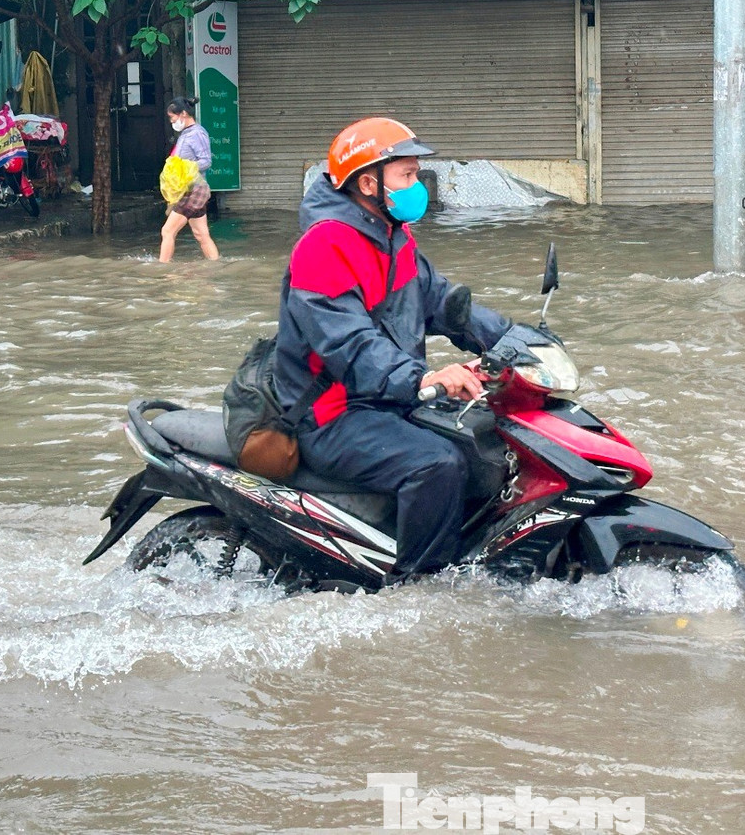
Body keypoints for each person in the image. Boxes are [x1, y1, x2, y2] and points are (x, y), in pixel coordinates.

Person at [272, 117, 511, 583]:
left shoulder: (393, 237)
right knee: (437, 464)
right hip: (332, 413)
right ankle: (421, 588)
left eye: (416, 174)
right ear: (368, 183)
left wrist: (513, 340)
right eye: (406, 175)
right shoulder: (323, 247)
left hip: (388, 397)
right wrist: (423, 378)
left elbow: (442, 303)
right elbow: (348, 342)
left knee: (491, 441)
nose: (417, 185)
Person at [158, 97, 219, 262]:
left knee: (168, 231)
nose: (172, 121)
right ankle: (217, 265)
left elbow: (206, 161)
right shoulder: (185, 134)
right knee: (201, 234)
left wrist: (184, 168)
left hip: (195, 190)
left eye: (173, 117)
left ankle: (162, 270)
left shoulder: (198, 133)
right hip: (190, 189)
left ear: (183, 113)